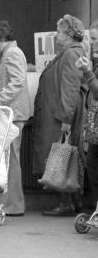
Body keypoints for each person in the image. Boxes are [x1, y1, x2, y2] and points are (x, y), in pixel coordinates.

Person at [33, 14, 86, 216]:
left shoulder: (71, 54)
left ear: (69, 34)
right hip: (59, 113)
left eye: (59, 32)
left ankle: (67, 202)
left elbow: (70, 88)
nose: (56, 35)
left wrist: (66, 118)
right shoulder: (70, 53)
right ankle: (72, 201)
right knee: (64, 155)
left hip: (61, 115)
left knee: (61, 156)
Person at [0, 19, 30, 216]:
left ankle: (13, 205)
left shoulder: (12, 53)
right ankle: (10, 203)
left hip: (13, 113)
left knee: (11, 158)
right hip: (12, 112)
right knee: (9, 157)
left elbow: (18, 81)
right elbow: (14, 79)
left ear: (2, 37)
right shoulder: (9, 53)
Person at [75, 20, 98, 217]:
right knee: (91, 164)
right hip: (95, 125)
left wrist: (88, 72)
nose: (90, 42)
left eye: (94, 38)